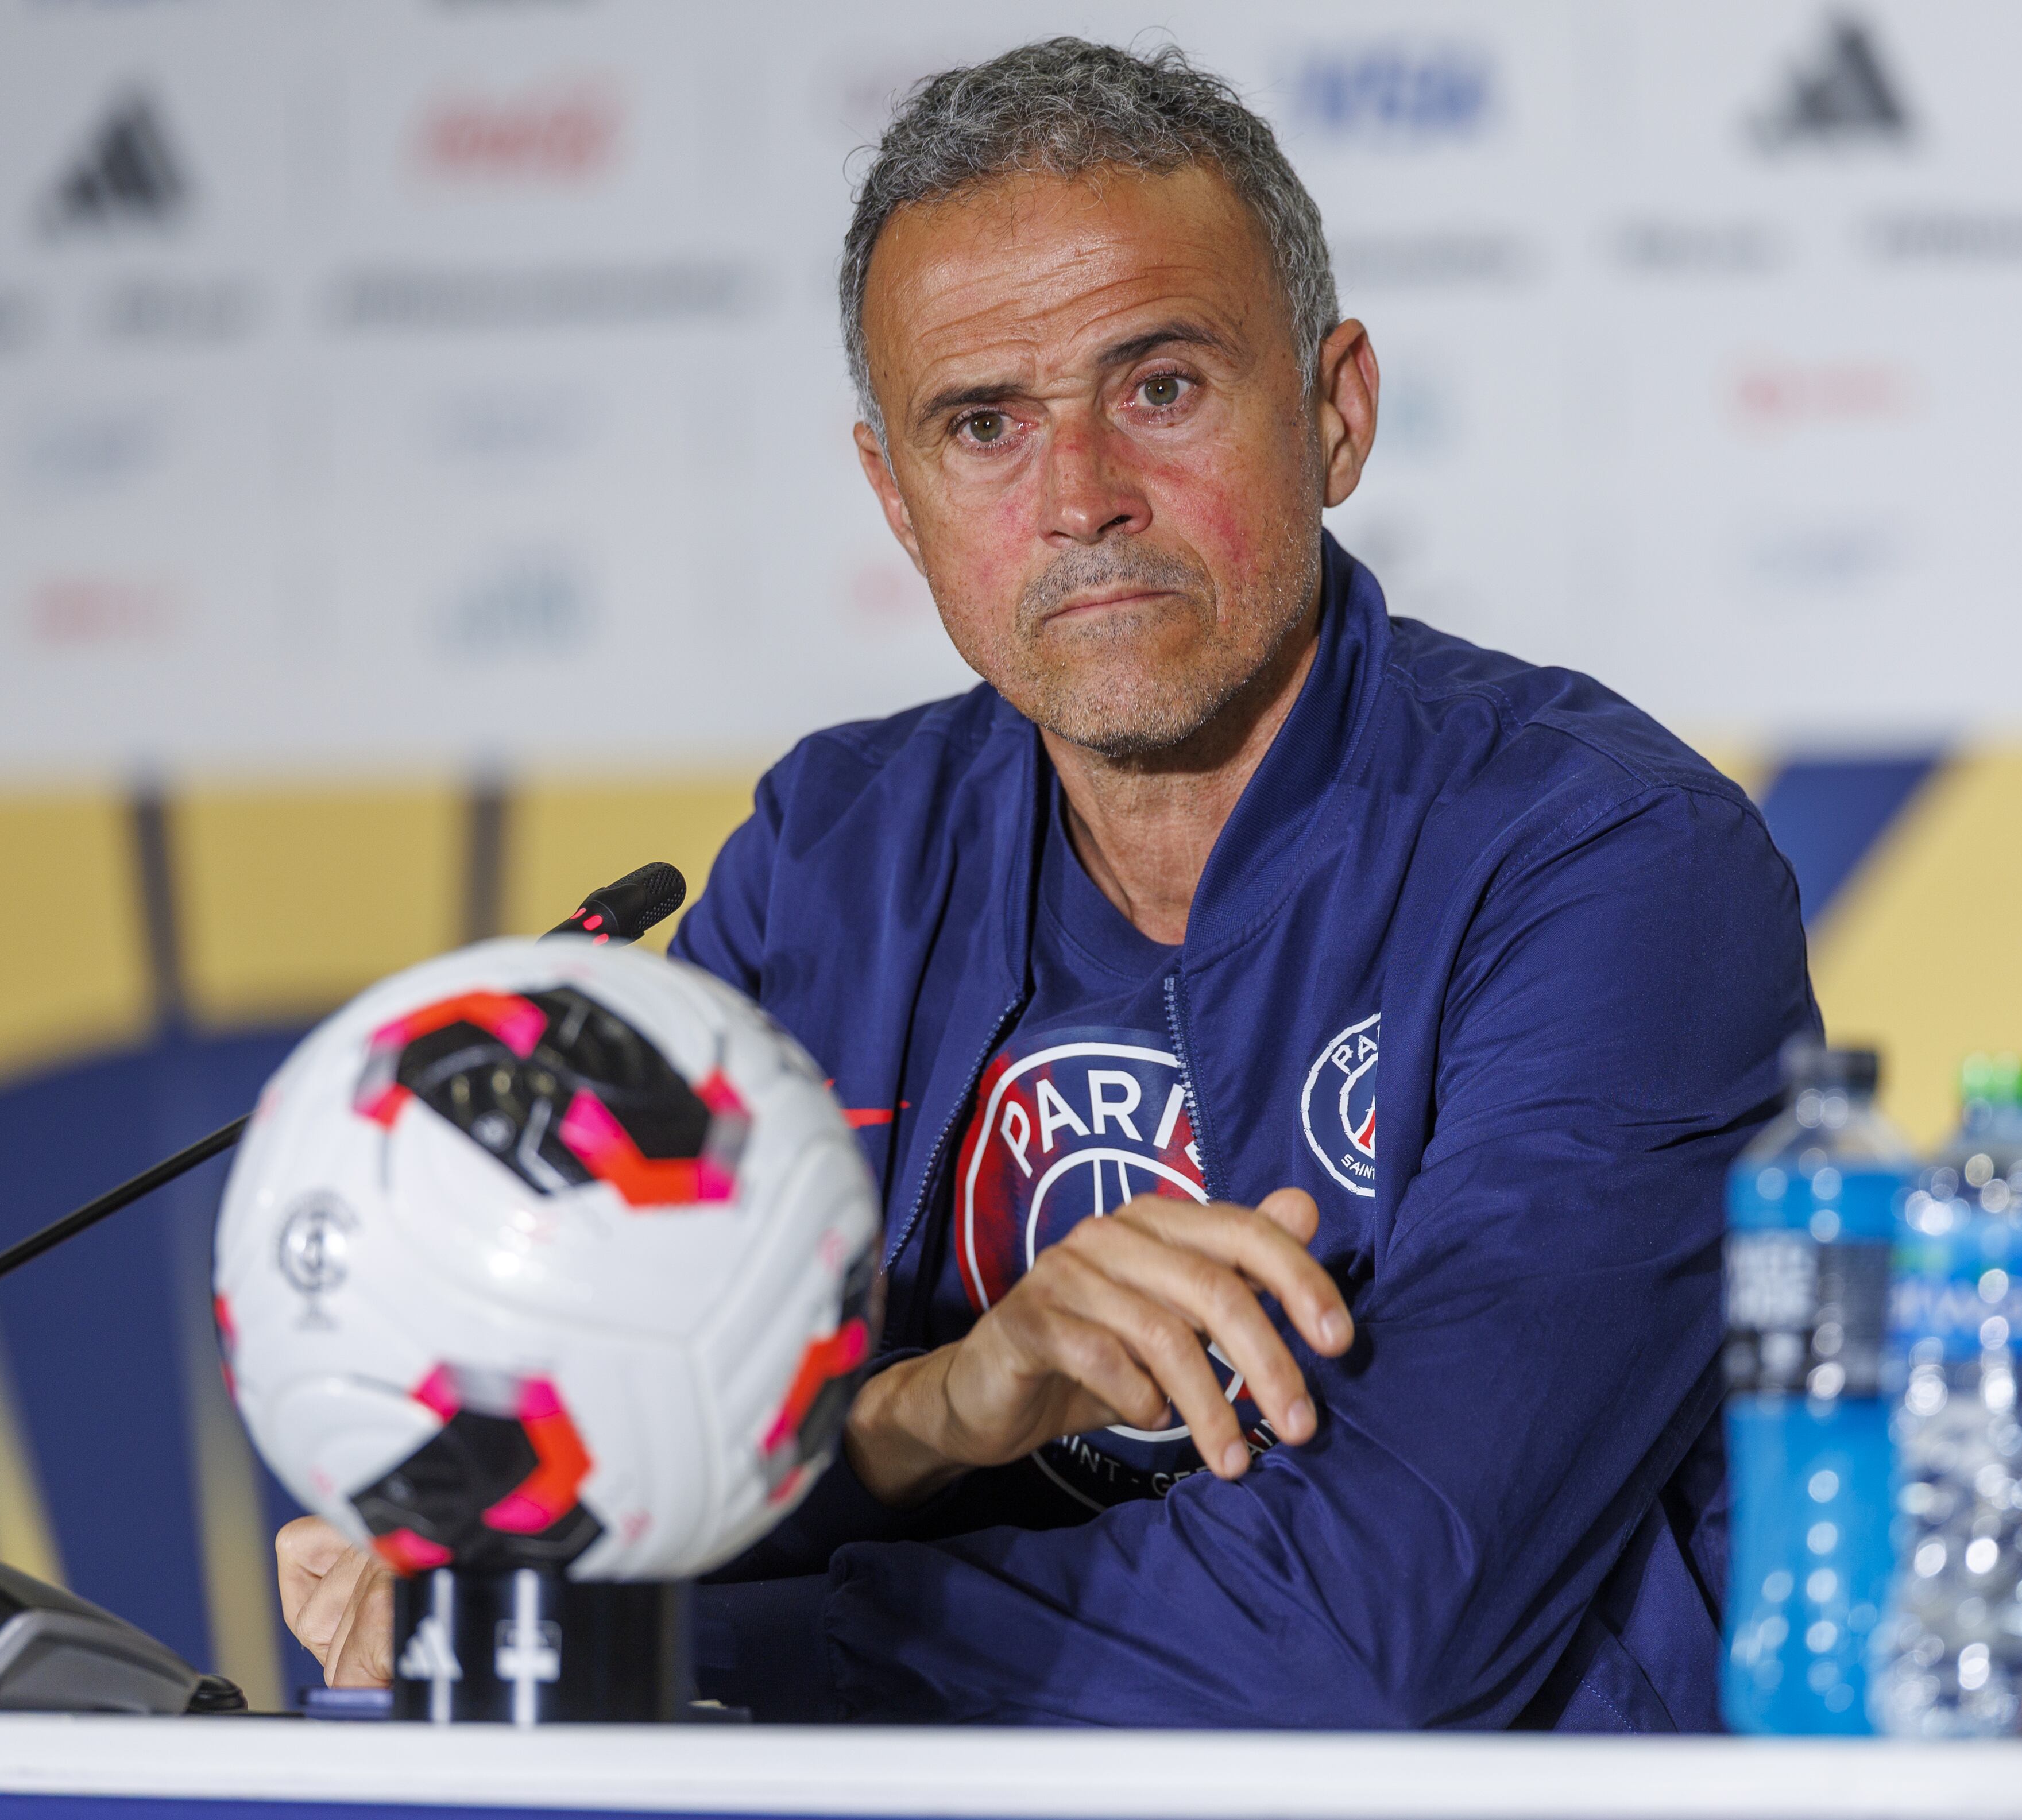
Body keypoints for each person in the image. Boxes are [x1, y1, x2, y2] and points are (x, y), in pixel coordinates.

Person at [276, 37, 1814, 1728]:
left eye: (1160, 389)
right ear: (897, 495)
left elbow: (1373, 1630)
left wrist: (638, 1649)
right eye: (985, 425)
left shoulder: (1610, 866)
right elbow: (598, 1469)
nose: (1080, 499)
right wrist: (941, 1407)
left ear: (1336, 411)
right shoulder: (830, 859)